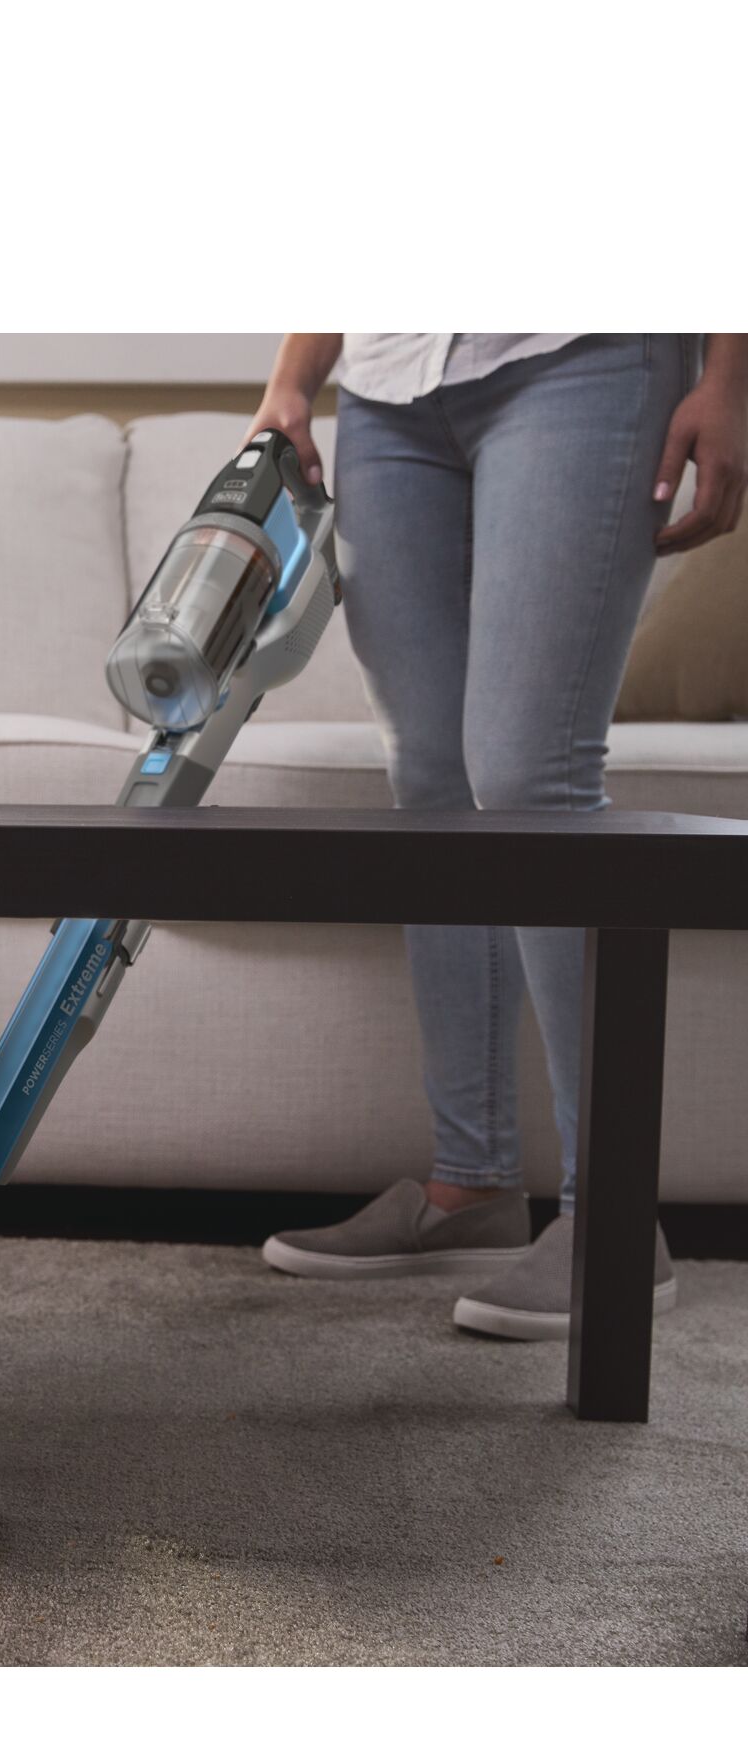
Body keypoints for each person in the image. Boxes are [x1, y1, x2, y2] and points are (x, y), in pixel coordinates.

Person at [256, 334, 746, 1337]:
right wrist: (290, 377)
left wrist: (726, 378)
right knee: (430, 782)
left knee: (530, 776)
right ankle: (468, 1184)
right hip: (390, 384)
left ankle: (608, 1216)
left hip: (583, 351)